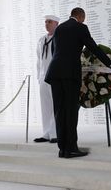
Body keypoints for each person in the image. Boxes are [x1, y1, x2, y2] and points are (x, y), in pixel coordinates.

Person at [45, 7, 111, 158]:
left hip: (54, 73)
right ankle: (71, 148)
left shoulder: (59, 29)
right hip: (70, 74)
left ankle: (62, 149)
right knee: (71, 111)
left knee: (59, 111)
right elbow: (93, 47)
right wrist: (110, 63)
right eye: (83, 18)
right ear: (81, 17)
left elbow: (54, 51)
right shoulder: (81, 27)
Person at [34, 15, 60, 144]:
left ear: (56, 23)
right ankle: (46, 133)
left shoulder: (60, 38)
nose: (47, 24)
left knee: (56, 105)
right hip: (43, 78)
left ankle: (56, 133)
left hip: (55, 77)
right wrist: (39, 77)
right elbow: (39, 61)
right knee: (45, 106)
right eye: (45, 22)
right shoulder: (41, 40)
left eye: (49, 22)